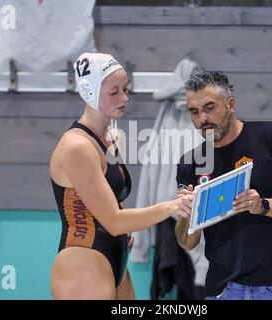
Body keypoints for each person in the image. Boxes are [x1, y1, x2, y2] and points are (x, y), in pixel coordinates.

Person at [49, 52, 193, 300]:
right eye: (114, 92)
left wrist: (130, 225)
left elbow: (110, 199)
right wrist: (171, 206)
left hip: (115, 260)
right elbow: (114, 221)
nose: (124, 97)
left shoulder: (111, 139)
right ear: (90, 92)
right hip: (83, 263)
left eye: (126, 89)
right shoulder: (77, 147)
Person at [174, 71, 272, 300]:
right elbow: (187, 243)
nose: (202, 118)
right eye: (194, 112)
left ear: (231, 104)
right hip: (221, 289)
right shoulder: (189, 162)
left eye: (210, 108)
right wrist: (187, 215)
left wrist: (262, 205)